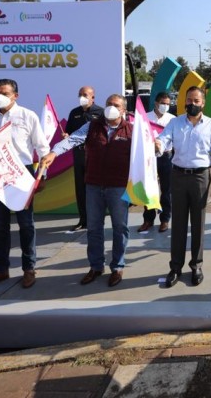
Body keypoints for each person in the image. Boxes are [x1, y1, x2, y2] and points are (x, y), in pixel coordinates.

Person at [40, 94, 137, 288]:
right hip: (93, 185)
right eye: (109, 104)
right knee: (93, 229)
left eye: (116, 105)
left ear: (124, 110)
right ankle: (96, 266)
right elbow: (72, 139)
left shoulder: (132, 130)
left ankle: (117, 266)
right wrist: (53, 152)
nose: (111, 107)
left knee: (120, 228)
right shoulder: (92, 126)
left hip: (118, 187)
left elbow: (146, 153)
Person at [0, 79, 50, 291]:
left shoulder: (28, 116)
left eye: (5, 93)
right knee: (0, 226)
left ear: (16, 95)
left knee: (26, 224)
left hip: (21, 174)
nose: (1, 96)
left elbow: (42, 148)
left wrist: (42, 176)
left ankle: (29, 268)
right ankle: (1, 269)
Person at [158, 86, 211, 289]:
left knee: (198, 224)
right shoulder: (175, 122)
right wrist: (156, 144)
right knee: (178, 224)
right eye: (189, 100)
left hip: (200, 178)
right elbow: (164, 140)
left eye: (197, 101)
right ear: (184, 102)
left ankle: (196, 265)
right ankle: (175, 267)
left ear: (203, 103)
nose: (192, 104)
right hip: (177, 175)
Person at [64, 86, 104, 232]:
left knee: (95, 189)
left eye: (85, 95)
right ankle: (83, 220)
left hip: (94, 155)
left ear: (93, 97)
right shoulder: (74, 113)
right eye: (80, 94)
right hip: (79, 154)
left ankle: (96, 220)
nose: (82, 97)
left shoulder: (100, 112)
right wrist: (66, 136)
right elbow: (68, 131)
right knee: (80, 188)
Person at [139, 92, 175, 233]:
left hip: (167, 157)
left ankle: (165, 219)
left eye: (168, 104)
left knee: (167, 190)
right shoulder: (145, 118)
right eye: (163, 103)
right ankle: (148, 219)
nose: (165, 106)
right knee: (149, 189)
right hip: (150, 157)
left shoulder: (173, 120)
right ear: (156, 103)